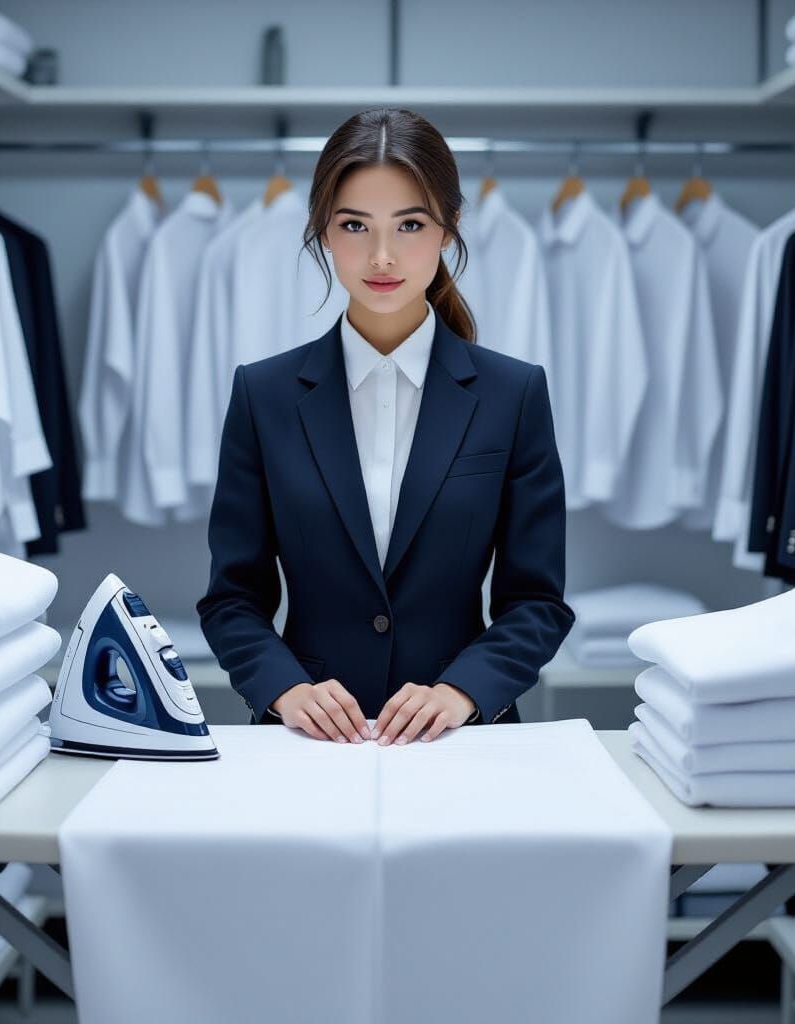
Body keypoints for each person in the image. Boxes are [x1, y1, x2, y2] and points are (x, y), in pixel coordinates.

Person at [197, 107, 574, 746]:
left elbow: (537, 603)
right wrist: (287, 690)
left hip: (462, 738)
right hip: (304, 740)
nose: (381, 255)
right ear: (322, 230)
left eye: (410, 225)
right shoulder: (263, 395)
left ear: (449, 229)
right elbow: (232, 599)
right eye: (354, 225)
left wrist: (462, 692)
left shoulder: (513, 395)